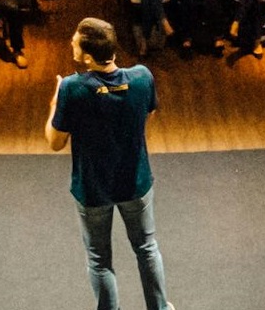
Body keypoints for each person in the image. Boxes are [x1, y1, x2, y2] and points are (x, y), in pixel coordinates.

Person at [45, 18, 173, 310]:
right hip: (136, 182)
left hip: (93, 189)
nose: (71, 43)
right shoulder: (142, 77)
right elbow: (147, 116)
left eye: (75, 42)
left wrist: (54, 104)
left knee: (99, 260)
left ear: (88, 57)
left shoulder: (72, 88)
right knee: (147, 249)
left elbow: (55, 141)